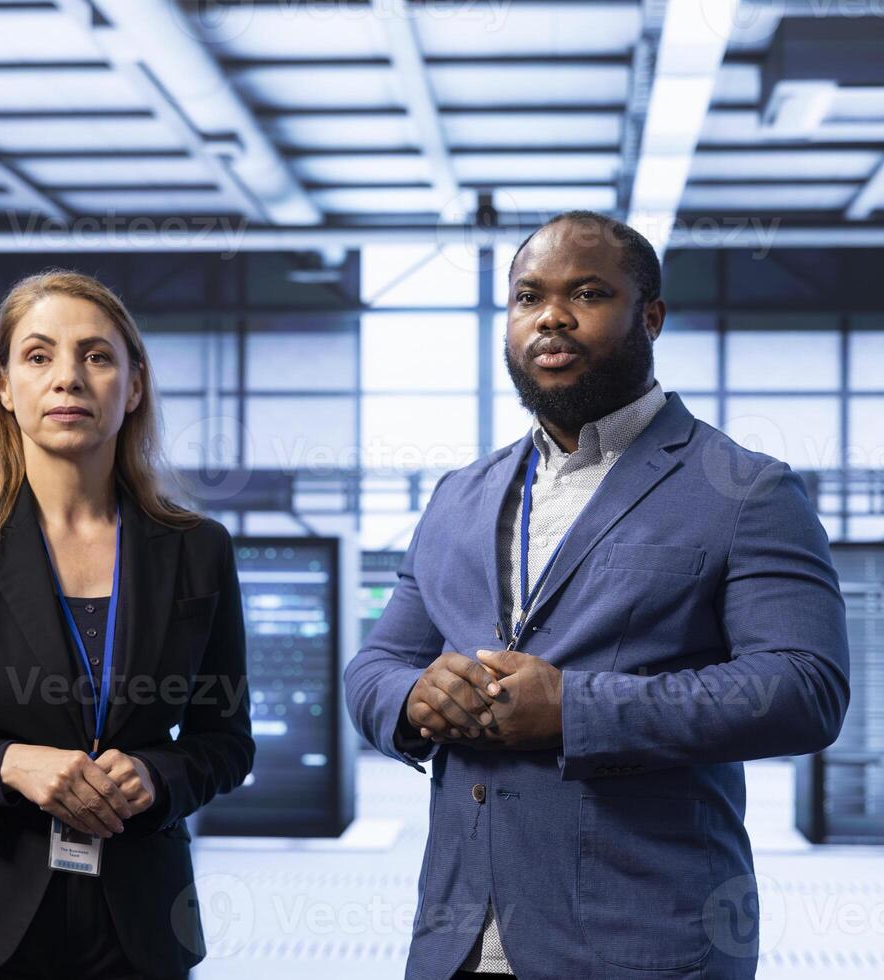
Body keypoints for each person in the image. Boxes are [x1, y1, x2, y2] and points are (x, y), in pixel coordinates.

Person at [345, 211, 851, 979]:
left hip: (642, 947)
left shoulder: (746, 490)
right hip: (458, 944)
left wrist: (574, 710)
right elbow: (375, 665)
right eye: (528, 297)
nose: (551, 316)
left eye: (586, 293)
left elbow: (804, 689)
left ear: (651, 316)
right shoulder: (458, 496)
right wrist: (414, 698)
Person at [0, 270, 255, 979]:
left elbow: (226, 742)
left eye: (96, 356)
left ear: (133, 387)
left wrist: (157, 776)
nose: (68, 377)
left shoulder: (197, 549)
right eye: (38, 356)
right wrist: (9, 765)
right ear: (5, 387)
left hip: (138, 924)